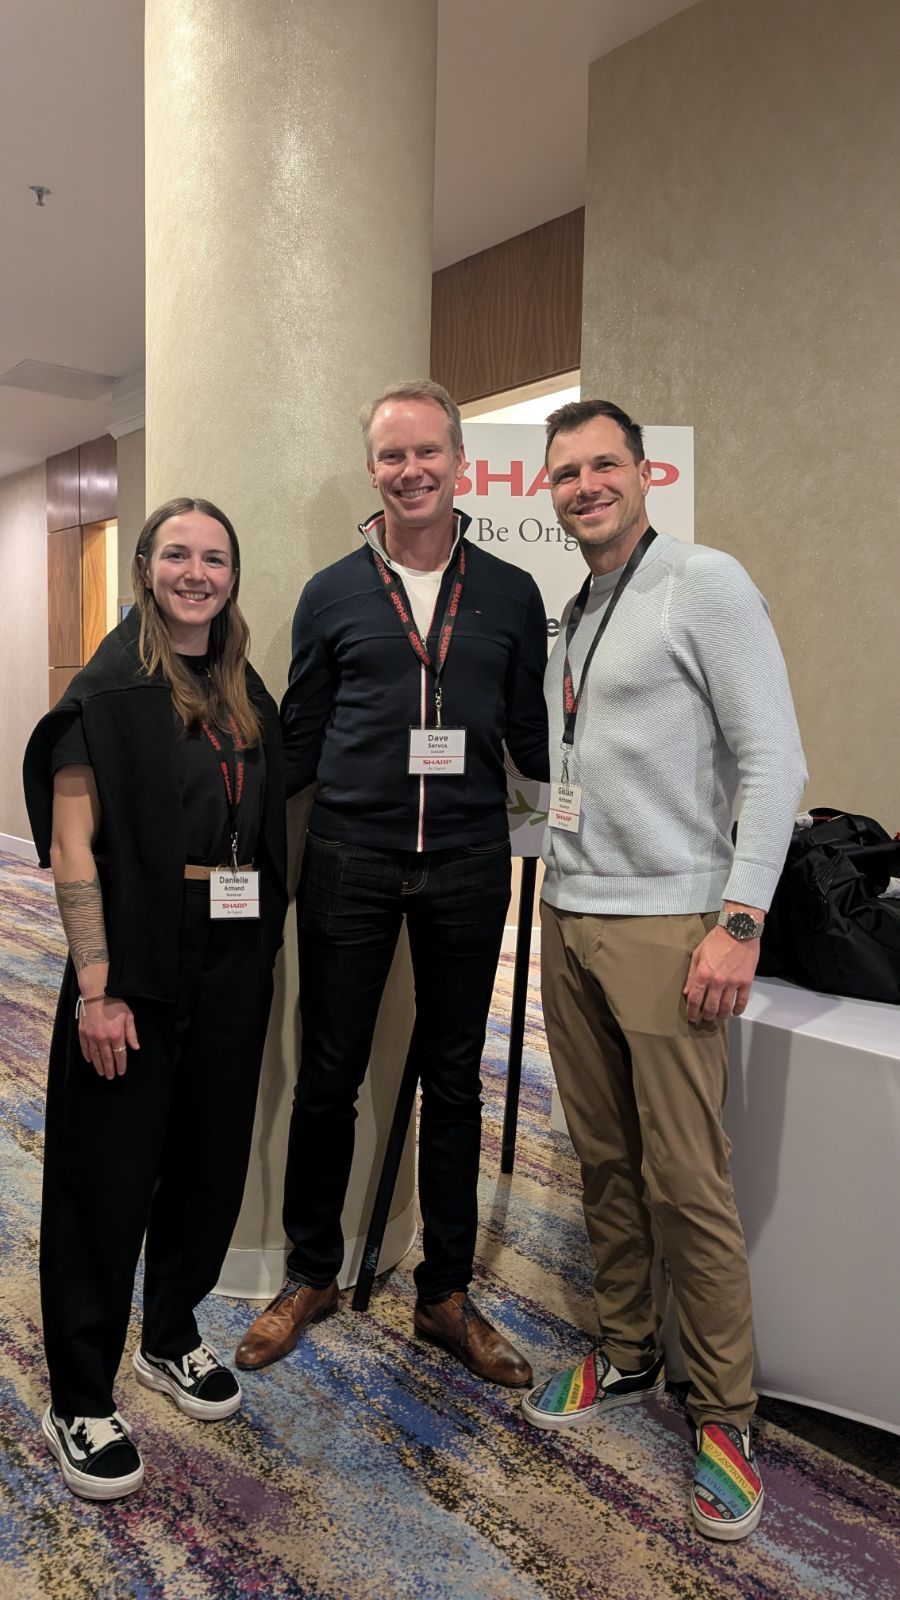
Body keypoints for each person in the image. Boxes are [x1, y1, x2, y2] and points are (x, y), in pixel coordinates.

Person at [519, 401, 806, 1542]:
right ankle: (628, 1350)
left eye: (603, 466)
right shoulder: (579, 607)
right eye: (566, 473)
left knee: (689, 1176)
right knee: (602, 1157)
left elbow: (774, 756)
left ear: (646, 472)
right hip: (568, 913)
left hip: (670, 922)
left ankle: (729, 1410)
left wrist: (740, 917)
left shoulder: (705, 581)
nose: (584, 485)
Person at [236, 380, 549, 1385]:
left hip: (467, 861)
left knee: (456, 1081)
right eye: (390, 456)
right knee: (328, 1076)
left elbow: (533, 739)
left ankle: (446, 1295)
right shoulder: (331, 591)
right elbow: (298, 740)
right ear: (372, 467)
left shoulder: (508, 590)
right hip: (350, 858)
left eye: (427, 452)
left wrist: (566, 830)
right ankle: (312, 1273)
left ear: (460, 462)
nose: (409, 470)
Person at [23, 498, 288, 1501]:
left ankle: (170, 1333)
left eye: (214, 556)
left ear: (232, 574)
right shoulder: (110, 686)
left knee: (208, 1159)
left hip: (230, 955)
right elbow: (72, 841)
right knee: (106, 1177)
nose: (196, 571)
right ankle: (80, 1395)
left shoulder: (240, 686)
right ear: (145, 567)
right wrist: (96, 985)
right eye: (176, 552)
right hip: (132, 960)